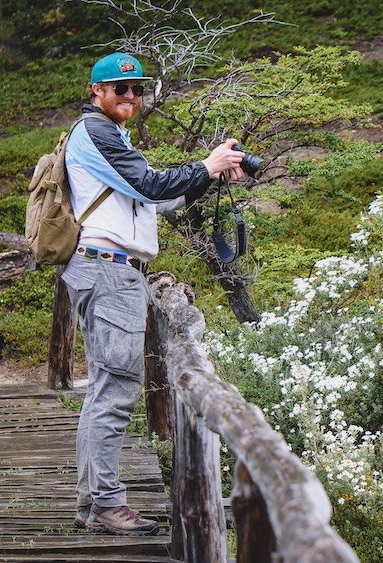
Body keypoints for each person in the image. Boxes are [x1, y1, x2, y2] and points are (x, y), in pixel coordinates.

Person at [60, 52, 245, 536]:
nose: (131, 96)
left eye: (137, 89)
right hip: (108, 273)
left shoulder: (109, 136)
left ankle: (92, 502)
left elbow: (156, 200)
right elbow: (148, 183)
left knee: (105, 389)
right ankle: (104, 504)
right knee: (116, 391)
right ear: (95, 91)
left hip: (110, 272)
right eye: (120, 89)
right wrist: (206, 163)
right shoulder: (95, 133)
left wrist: (210, 175)